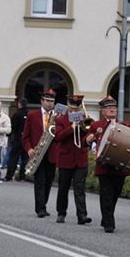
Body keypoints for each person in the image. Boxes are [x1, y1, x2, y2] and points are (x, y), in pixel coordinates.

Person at [86, 96, 130, 233]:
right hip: (104, 165)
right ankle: (109, 223)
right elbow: (86, 140)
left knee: (115, 193)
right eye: (108, 107)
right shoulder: (96, 125)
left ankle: (106, 217)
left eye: (114, 107)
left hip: (119, 165)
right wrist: (89, 139)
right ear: (102, 111)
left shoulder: (124, 125)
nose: (112, 109)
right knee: (106, 193)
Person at [53, 94, 92, 225]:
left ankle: (82, 215)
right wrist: (71, 128)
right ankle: (61, 213)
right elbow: (58, 137)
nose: (74, 110)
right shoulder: (60, 120)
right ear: (68, 105)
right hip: (65, 159)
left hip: (80, 159)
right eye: (72, 107)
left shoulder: (84, 118)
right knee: (63, 188)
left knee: (79, 188)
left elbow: (88, 135)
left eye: (77, 108)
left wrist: (86, 128)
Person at [22, 89, 59, 217]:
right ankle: (40, 208)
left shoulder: (57, 116)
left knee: (49, 181)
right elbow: (25, 136)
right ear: (42, 101)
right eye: (47, 101)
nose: (50, 103)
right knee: (40, 181)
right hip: (38, 153)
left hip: (52, 153)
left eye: (52, 101)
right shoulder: (32, 115)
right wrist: (29, 149)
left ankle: (43, 204)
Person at [5, 98, 28, 181]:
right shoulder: (29, 114)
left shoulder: (17, 114)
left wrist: (9, 135)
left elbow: (13, 127)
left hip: (18, 138)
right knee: (25, 159)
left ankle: (9, 175)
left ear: (20, 104)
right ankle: (22, 176)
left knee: (13, 157)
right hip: (26, 139)